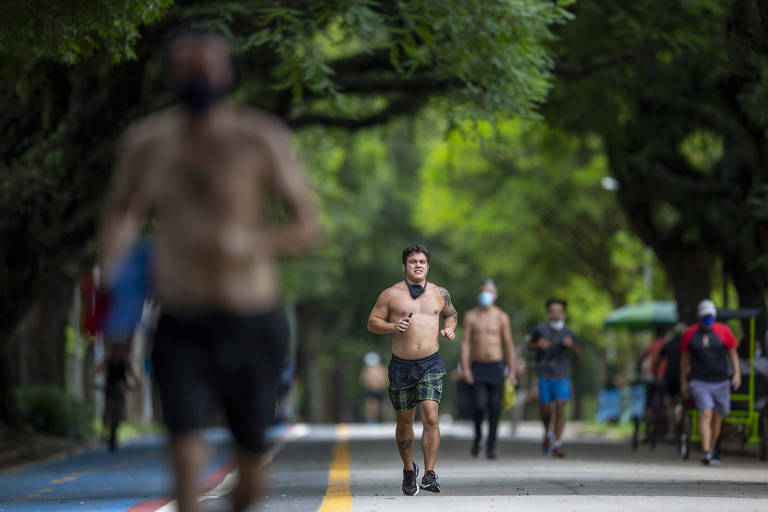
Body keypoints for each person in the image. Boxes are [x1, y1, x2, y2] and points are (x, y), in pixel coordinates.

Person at [99, 29, 320, 512]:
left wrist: (250, 242)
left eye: (207, 68)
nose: (197, 78)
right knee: (183, 439)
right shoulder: (146, 142)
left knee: (251, 470)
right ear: (170, 76)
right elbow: (121, 214)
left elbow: (307, 225)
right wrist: (116, 277)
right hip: (181, 315)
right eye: (186, 69)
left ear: (227, 75)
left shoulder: (260, 137)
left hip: (251, 315)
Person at [367, 243, 457, 496]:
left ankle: (429, 473)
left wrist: (450, 327)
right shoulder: (390, 294)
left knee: (430, 416)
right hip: (401, 366)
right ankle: (409, 469)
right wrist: (393, 327)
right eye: (412, 261)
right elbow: (373, 322)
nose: (418, 265)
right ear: (404, 266)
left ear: (428, 266)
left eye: (422, 261)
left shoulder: (440, 293)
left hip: (431, 362)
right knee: (405, 422)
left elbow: (452, 314)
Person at [680, 299, 741, 467]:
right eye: (705, 316)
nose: (708, 319)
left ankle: (711, 449)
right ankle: (706, 452)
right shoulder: (690, 334)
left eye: (711, 316)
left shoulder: (723, 331)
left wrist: (736, 373)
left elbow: (732, 353)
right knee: (705, 412)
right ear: (699, 317)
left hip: (721, 381)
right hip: (699, 381)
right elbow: (684, 360)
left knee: (717, 416)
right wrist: (683, 382)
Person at [460, 279, 515, 459]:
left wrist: (512, 369)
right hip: (477, 367)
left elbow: (508, 344)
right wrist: (466, 368)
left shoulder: (501, 316)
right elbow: (466, 343)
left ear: (495, 295)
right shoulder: (471, 316)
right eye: (483, 291)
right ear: (479, 295)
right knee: (479, 405)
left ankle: (491, 446)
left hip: (496, 366)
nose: (486, 295)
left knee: (494, 408)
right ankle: (478, 439)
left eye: (489, 292)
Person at [527, 299, 580, 458]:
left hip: (562, 374)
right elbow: (529, 346)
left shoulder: (568, 332)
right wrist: (538, 345)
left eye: (558, 311)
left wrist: (571, 345)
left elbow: (578, 352)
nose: (555, 313)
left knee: (560, 409)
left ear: (563, 313)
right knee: (545, 410)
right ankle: (547, 433)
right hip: (544, 373)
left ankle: (558, 443)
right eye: (552, 310)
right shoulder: (540, 329)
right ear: (549, 312)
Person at [90, 344, 140, 452]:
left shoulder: (125, 360)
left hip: (121, 388)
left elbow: (133, 374)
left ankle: (117, 425)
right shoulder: (108, 359)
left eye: (118, 350)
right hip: (109, 388)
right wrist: (92, 379)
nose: (116, 353)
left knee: (120, 410)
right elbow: (98, 369)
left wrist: (136, 383)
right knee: (108, 410)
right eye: (114, 350)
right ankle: (106, 426)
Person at [360, 352, 389, 423]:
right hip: (370, 390)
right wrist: (369, 385)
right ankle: (371, 420)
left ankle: (379, 419)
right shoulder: (366, 370)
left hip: (379, 390)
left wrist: (381, 385)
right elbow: (363, 380)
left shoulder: (382, 369)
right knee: (370, 405)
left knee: (379, 406)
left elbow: (386, 380)